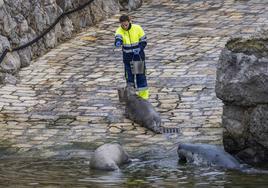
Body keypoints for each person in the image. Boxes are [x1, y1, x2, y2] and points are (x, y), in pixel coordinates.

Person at [114, 14, 149, 100]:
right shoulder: (119, 31)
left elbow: (144, 41)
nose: (124, 27)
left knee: (140, 77)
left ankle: (143, 98)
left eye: (126, 24)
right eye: (122, 25)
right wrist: (118, 42)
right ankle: (132, 98)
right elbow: (118, 38)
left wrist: (139, 48)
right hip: (127, 59)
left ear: (129, 22)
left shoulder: (137, 28)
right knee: (129, 79)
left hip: (137, 58)